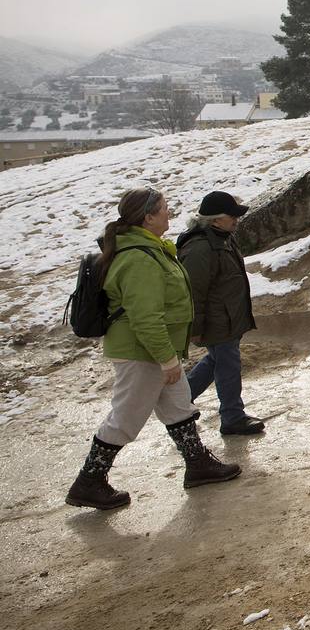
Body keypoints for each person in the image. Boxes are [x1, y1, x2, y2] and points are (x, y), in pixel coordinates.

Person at [65, 187, 240, 511]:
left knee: (179, 407)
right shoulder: (138, 258)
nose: (169, 214)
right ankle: (89, 481)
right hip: (141, 353)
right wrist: (167, 360)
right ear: (147, 217)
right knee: (126, 419)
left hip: (153, 351)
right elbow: (145, 318)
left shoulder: (149, 249)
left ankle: (198, 463)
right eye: (163, 209)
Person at [180, 190, 263, 436]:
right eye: (232, 215)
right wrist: (195, 329)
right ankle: (232, 417)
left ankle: (179, 401)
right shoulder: (200, 248)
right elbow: (193, 292)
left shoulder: (221, 237)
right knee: (227, 365)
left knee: (217, 360)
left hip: (226, 317)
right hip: (217, 321)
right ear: (216, 220)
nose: (237, 219)